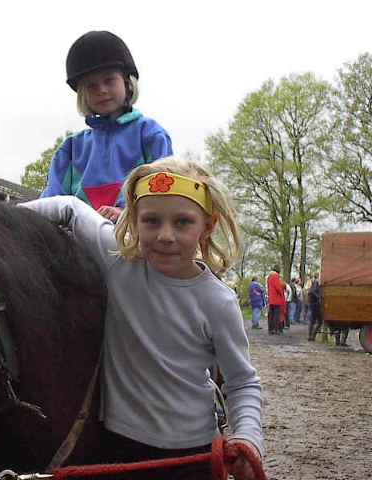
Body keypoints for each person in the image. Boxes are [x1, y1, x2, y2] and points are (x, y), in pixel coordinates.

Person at [23, 158, 263, 480]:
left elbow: (242, 381)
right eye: (151, 221)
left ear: (207, 225)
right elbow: (68, 207)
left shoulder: (218, 301)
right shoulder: (119, 263)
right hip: (117, 450)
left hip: (192, 457)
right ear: (134, 220)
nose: (165, 235)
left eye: (182, 222)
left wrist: (248, 439)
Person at [40, 30, 172, 223]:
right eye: (91, 86)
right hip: (77, 232)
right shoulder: (71, 149)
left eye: (109, 80)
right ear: (83, 94)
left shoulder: (150, 134)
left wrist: (127, 213)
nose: (101, 90)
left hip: (133, 230)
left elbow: (163, 189)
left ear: (127, 83)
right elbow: (51, 200)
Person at [267, 267, 285, 335]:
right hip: (276, 298)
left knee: (271, 315)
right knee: (276, 315)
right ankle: (276, 329)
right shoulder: (276, 276)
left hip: (271, 298)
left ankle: (270, 329)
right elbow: (278, 287)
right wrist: (281, 293)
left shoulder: (269, 277)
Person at [307, 274, 323, 341]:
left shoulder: (315, 283)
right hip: (315, 305)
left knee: (315, 321)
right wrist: (318, 297)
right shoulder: (316, 282)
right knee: (317, 321)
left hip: (314, 304)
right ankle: (311, 336)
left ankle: (311, 336)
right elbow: (312, 291)